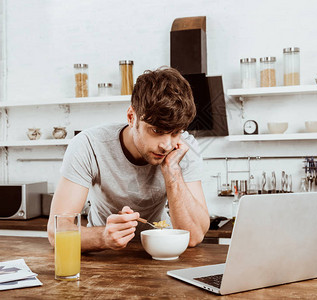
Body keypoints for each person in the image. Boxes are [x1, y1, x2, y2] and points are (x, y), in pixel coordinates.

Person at [47, 67, 210, 252]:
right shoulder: (88, 145)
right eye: (157, 131)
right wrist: (103, 237)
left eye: (175, 132)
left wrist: (173, 172)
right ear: (132, 117)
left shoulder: (184, 147)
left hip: (161, 253)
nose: (166, 145)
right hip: (104, 255)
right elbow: (56, 231)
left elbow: (194, 236)